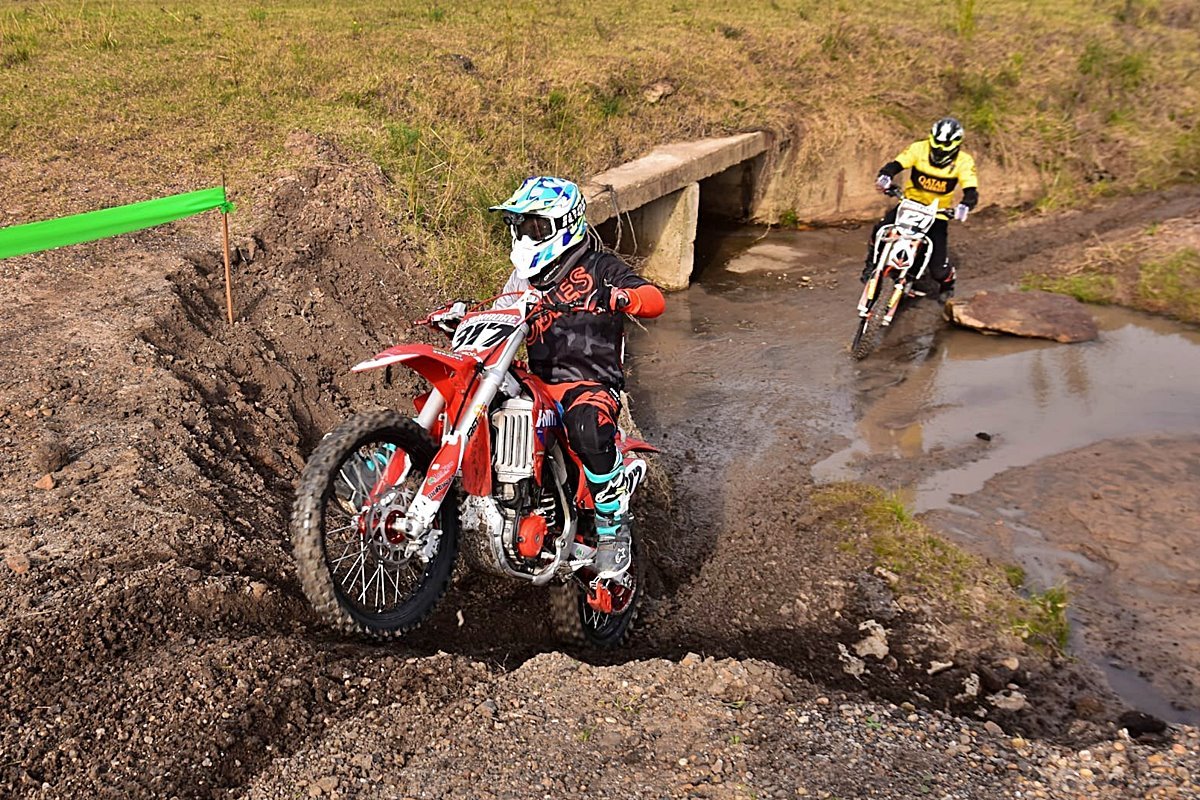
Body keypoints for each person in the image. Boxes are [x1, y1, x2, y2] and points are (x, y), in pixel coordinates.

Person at [488, 176, 665, 579]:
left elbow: (654, 299)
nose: (525, 235)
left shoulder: (600, 266)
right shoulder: (523, 277)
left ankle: (612, 525)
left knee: (586, 427)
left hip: (591, 385)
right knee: (484, 404)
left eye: (534, 226)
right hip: (540, 383)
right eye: (519, 226)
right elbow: (502, 317)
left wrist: (622, 297)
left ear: (564, 223)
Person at [863, 116, 979, 297]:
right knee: (880, 230)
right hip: (909, 205)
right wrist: (886, 175)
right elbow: (897, 164)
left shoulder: (964, 161)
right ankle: (871, 264)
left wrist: (965, 205)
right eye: (936, 144)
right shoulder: (919, 148)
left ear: (956, 144)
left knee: (938, 270)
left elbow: (970, 188)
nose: (939, 149)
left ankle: (948, 284)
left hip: (937, 214)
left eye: (945, 145)